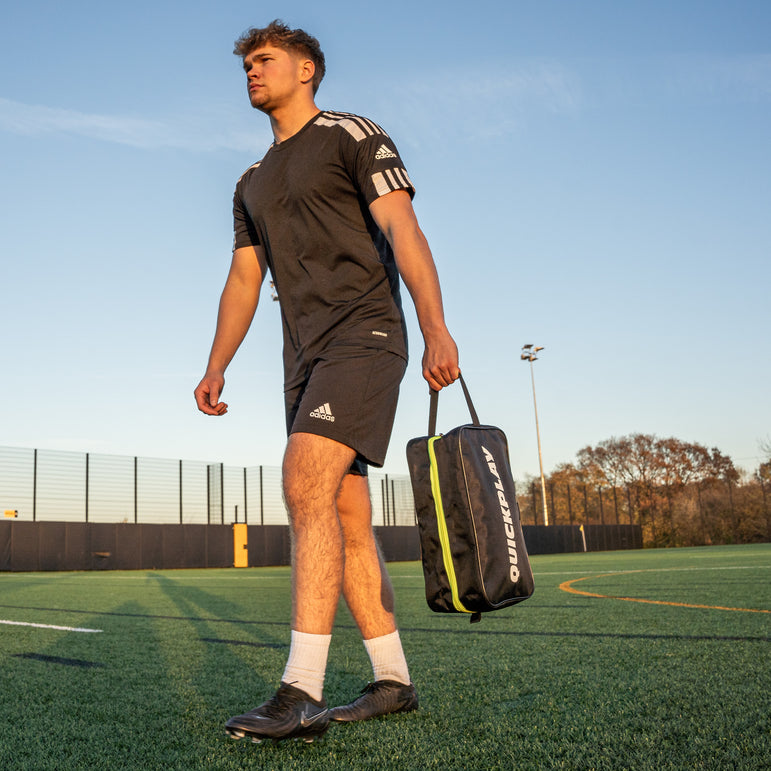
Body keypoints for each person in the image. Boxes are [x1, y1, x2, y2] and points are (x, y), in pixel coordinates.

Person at [194, 20, 459, 744]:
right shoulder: (250, 182)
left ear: (305, 68)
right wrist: (216, 361)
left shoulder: (351, 133)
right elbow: (245, 278)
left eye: (265, 59)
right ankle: (392, 678)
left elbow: (403, 228)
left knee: (303, 477)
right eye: (246, 63)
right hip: (302, 356)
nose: (252, 71)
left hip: (366, 333)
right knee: (341, 513)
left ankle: (300, 689)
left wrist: (436, 326)